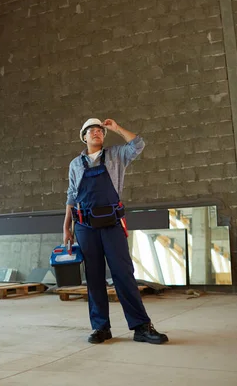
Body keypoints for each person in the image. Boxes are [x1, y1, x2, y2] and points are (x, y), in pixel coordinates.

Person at [63, 118, 168, 345]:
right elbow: (71, 196)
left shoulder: (116, 155)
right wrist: (66, 227)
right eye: (91, 130)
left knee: (123, 274)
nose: (96, 133)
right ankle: (101, 328)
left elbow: (138, 144)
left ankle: (141, 327)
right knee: (94, 278)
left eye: (100, 130)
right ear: (84, 137)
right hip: (84, 226)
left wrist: (117, 128)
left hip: (111, 224)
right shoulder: (75, 164)